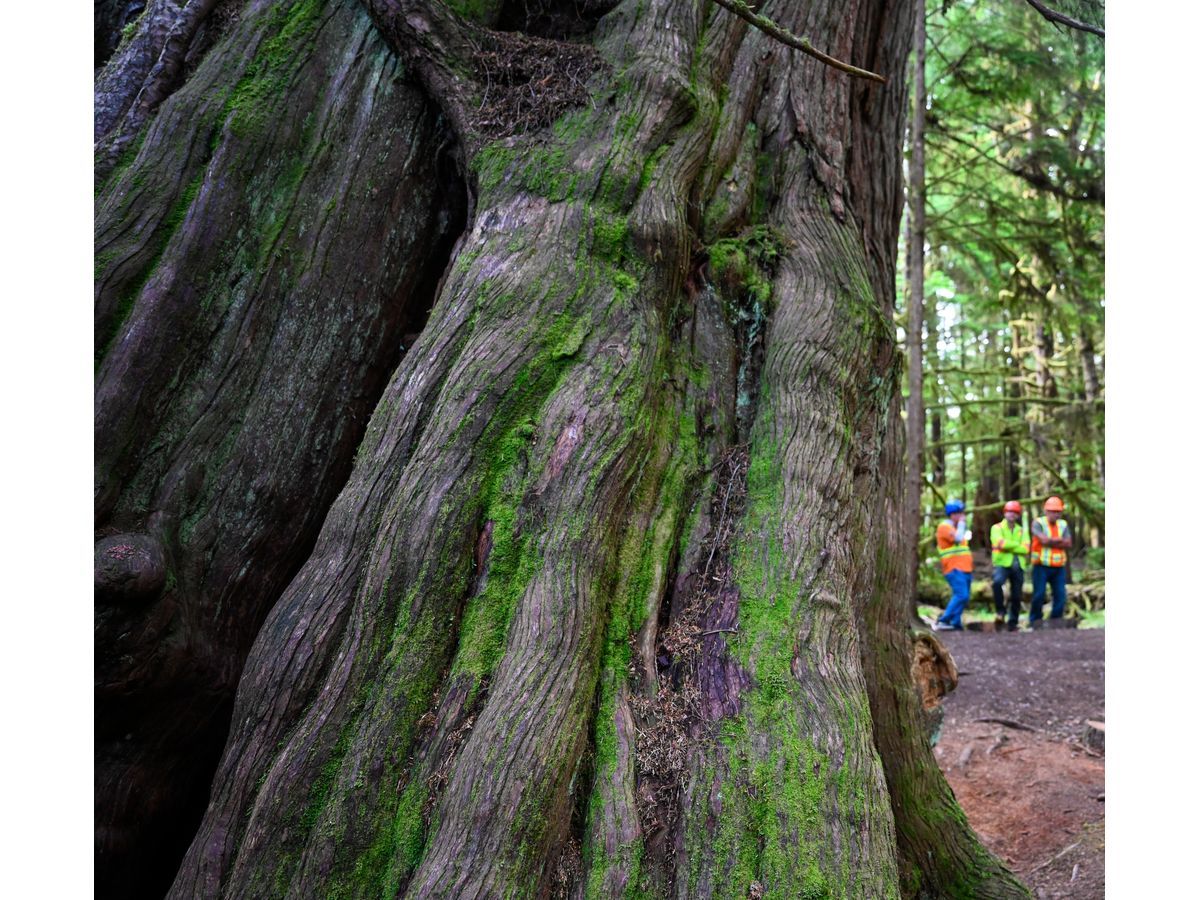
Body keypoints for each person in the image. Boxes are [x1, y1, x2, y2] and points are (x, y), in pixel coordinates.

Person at [1029, 496, 1072, 628]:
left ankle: (1056, 621)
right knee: (1039, 594)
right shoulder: (1038, 523)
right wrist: (1059, 540)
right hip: (1040, 565)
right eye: (1053, 511)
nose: (1055, 514)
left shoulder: (1063, 524)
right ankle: (1035, 621)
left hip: (1058, 567)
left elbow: (1068, 543)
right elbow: (1043, 540)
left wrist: (1051, 540)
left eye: (1058, 511)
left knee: (1060, 595)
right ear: (1046, 511)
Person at [933, 499, 973, 631]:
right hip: (954, 568)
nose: (963, 516)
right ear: (953, 514)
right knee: (962, 595)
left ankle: (955, 622)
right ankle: (943, 620)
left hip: (965, 568)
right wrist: (962, 525)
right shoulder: (944, 527)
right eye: (960, 513)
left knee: (964, 596)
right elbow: (957, 539)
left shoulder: (956, 528)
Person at [990, 500, 1029, 632]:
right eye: (1009, 512)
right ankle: (1000, 612)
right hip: (1002, 563)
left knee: (1017, 595)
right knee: (997, 583)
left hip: (1018, 565)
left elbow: (1026, 548)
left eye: (1015, 512)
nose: (1012, 515)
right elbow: (999, 543)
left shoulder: (1022, 530)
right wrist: (1016, 546)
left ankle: (1013, 622)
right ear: (1005, 513)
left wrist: (1009, 545)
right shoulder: (997, 528)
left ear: (1018, 515)